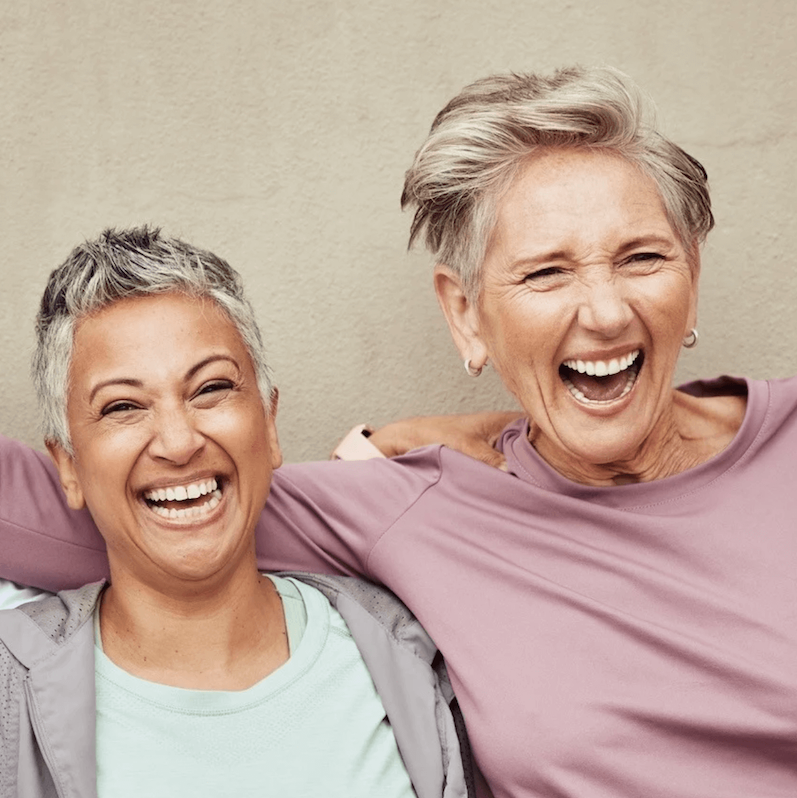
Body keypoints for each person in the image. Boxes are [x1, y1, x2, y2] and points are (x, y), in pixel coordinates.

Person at [2, 66, 797, 797]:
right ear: (464, 314)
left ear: (690, 275)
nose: (604, 311)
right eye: (545, 272)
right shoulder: (413, 507)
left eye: (640, 258)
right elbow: (92, 506)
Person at [0, 228, 472, 798]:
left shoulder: (411, 654)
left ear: (269, 424)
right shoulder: (13, 690)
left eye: (210, 389)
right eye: (123, 406)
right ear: (68, 465)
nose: (177, 442)